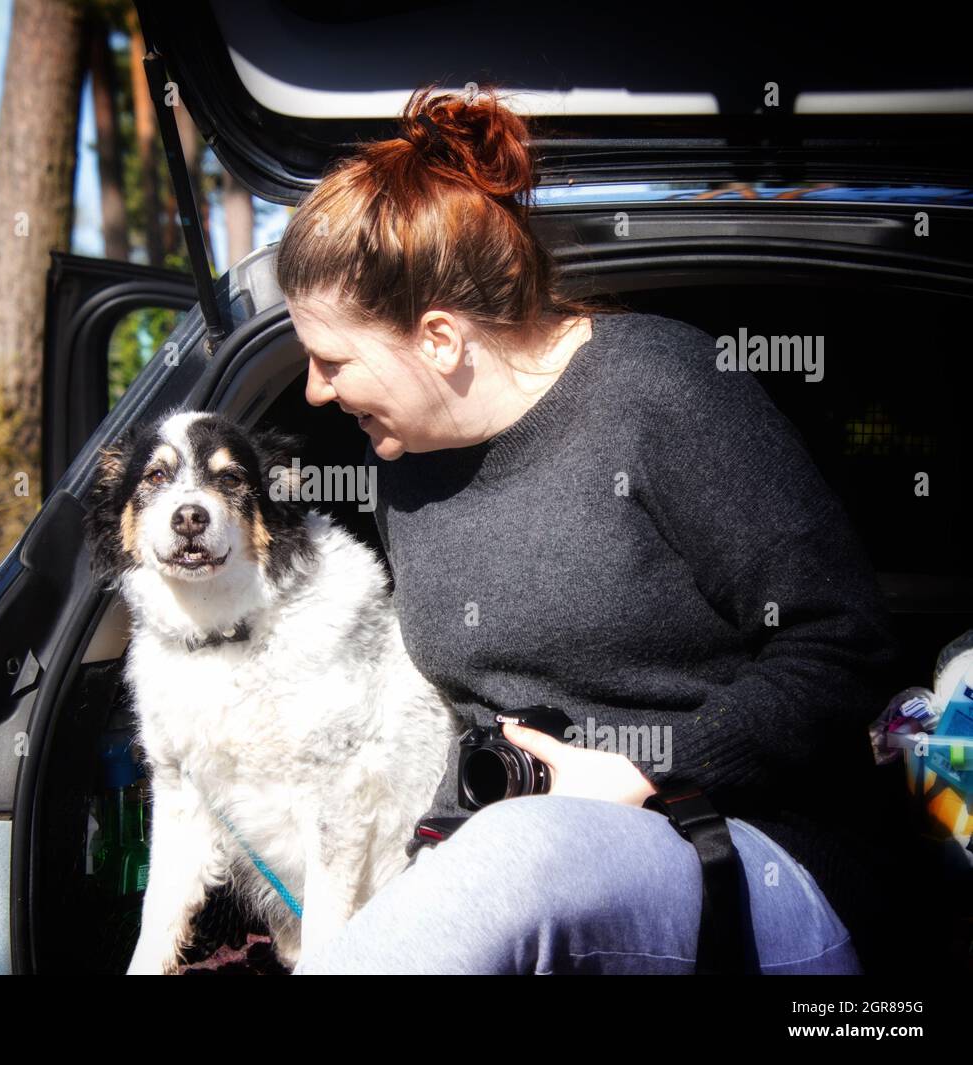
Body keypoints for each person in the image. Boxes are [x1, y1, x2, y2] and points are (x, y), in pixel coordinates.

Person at [274, 83, 910, 975]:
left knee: (521, 859)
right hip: (508, 861)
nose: (312, 390)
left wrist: (648, 771)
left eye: (333, 359)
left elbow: (846, 645)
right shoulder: (403, 465)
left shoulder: (660, 390)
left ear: (442, 339)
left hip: (756, 853)